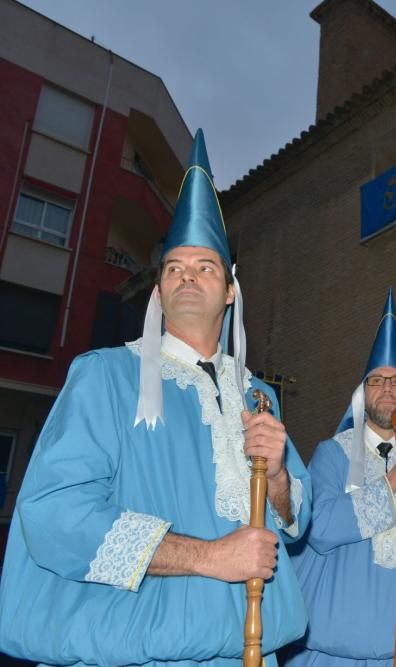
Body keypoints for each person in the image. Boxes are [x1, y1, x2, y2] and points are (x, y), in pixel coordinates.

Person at [0, 130, 311, 665]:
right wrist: (208, 557)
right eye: (175, 269)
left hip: (248, 650)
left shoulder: (259, 396)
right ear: (158, 291)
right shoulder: (105, 376)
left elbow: (293, 517)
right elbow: (55, 514)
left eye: (206, 267)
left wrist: (279, 477)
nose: (189, 276)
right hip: (136, 653)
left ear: (231, 290)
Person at [286, 289, 396, 667]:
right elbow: (322, 527)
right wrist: (393, 481)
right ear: (362, 394)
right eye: (376, 381)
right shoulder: (333, 453)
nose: (387, 389)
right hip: (341, 644)